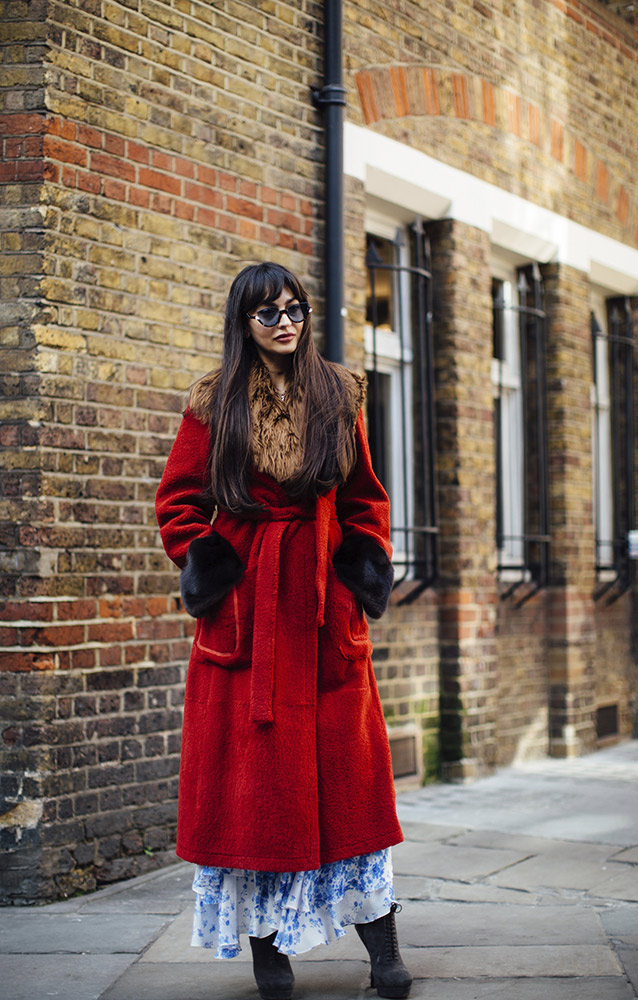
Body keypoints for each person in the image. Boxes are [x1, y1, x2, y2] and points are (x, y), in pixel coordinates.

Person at [155, 261, 412, 1000]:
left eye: (294, 308)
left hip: (323, 613)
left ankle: (383, 948)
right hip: (249, 618)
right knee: (256, 797)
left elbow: (365, 496)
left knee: (353, 785)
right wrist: (210, 565)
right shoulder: (214, 401)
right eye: (267, 313)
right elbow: (177, 500)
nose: (284, 322)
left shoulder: (340, 393)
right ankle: (269, 957)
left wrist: (361, 565)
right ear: (243, 322)